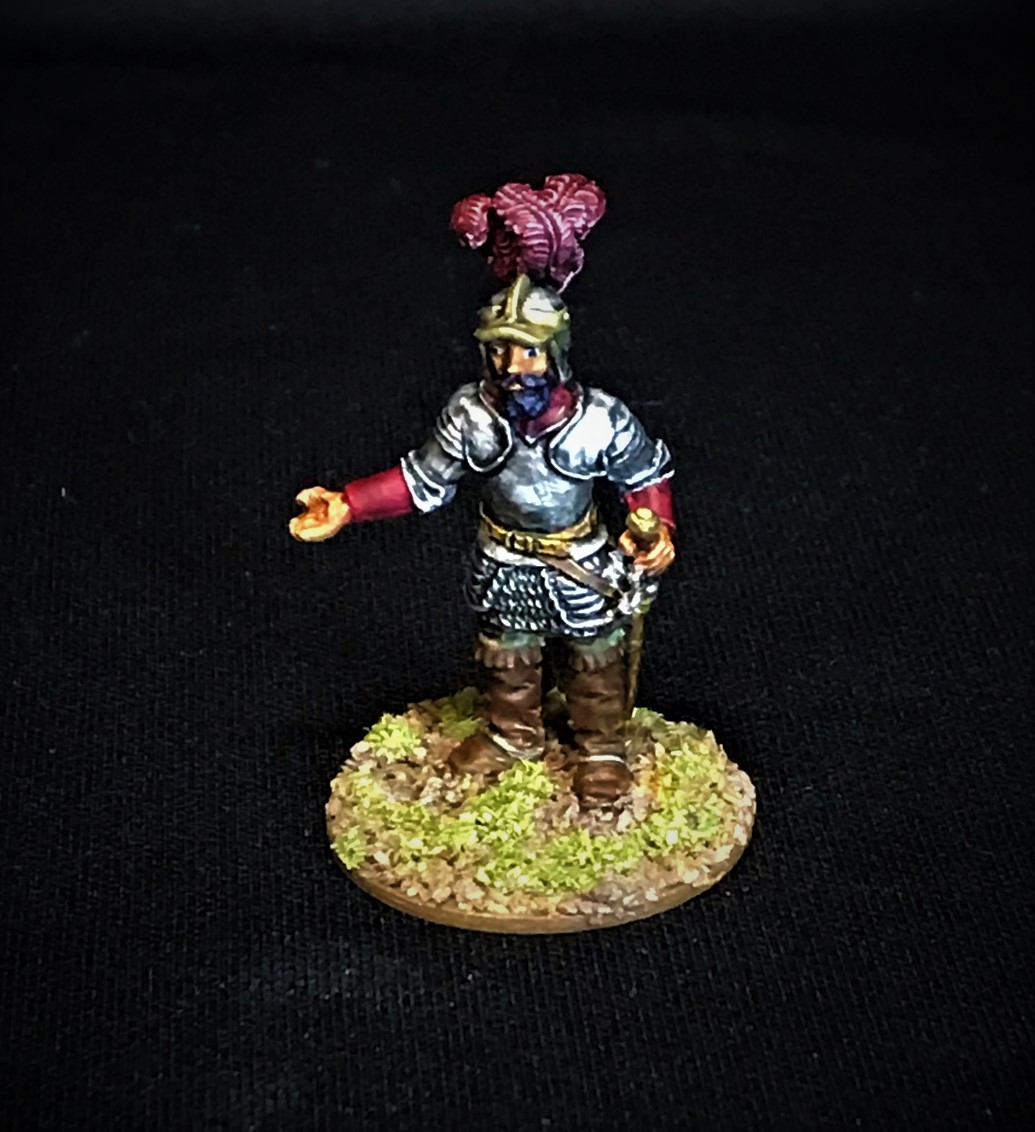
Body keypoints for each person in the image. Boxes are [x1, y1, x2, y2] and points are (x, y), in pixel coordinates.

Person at [290, 177, 676, 805]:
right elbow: (421, 479)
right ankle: (512, 734)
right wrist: (348, 503)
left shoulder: (599, 419)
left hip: (580, 559)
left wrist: (658, 534)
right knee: (506, 654)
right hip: (503, 557)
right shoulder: (472, 415)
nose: (512, 370)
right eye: (499, 353)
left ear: (556, 354)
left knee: (595, 656)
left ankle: (601, 747)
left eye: (528, 355)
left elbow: (644, 476)